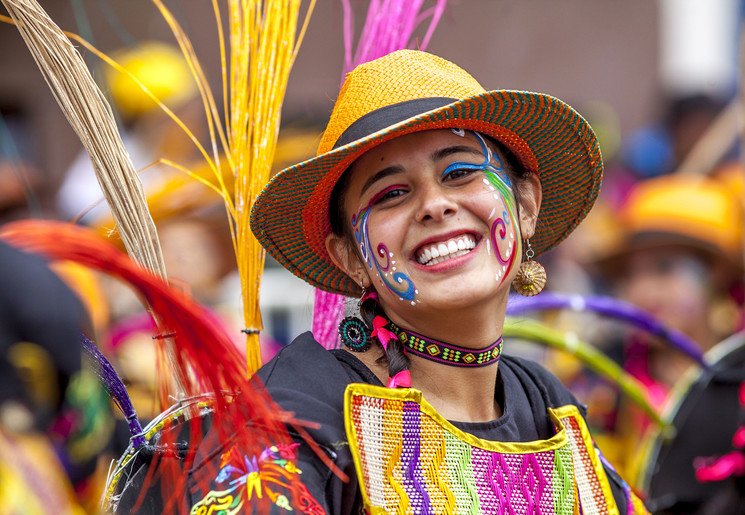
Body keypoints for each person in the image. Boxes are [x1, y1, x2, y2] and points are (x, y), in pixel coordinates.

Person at [111, 49, 647, 514]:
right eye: (391, 194)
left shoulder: (545, 405)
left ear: (525, 205)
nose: (436, 205)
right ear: (350, 256)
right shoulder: (296, 412)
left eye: (460, 172)